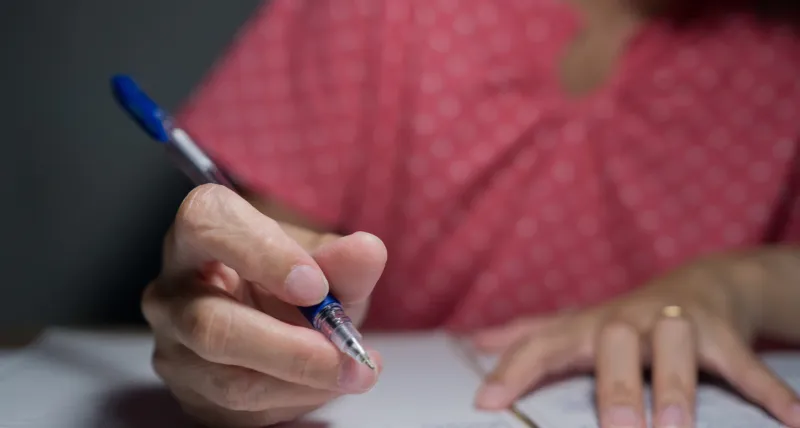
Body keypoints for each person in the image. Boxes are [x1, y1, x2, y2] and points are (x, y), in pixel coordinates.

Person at [140, 1, 800, 427]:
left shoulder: (782, 54)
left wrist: (733, 286)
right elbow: (261, 279)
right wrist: (241, 345)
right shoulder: (371, 16)